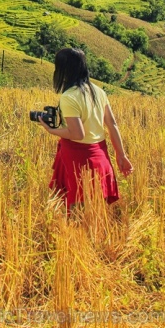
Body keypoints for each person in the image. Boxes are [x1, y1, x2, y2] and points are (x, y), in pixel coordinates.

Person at [37, 47, 133, 212]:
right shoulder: (98, 91)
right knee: (96, 209)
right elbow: (112, 124)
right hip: (100, 155)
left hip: (77, 157)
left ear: (63, 70)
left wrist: (51, 130)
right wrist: (121, 155)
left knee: (76, 208)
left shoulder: (69, 97)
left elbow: (77, 134)